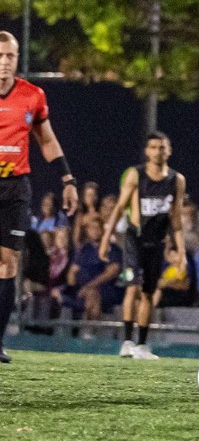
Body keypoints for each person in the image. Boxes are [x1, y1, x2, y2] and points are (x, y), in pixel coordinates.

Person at [0, 31, 78, 363]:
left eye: (10, 57)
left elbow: (46, 140)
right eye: (0, 56)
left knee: (8, 265)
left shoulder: (33, 96)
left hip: (15, 187)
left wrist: (67, 179)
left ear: (17, 59)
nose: (4, 62)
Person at [99, 131, 186, 360]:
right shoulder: (136, 175)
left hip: (156, 242)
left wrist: (182, 252)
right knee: (132, 286)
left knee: (148, 292)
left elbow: (176, 219)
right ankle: (126, 341)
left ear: (169, 150)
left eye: (162, 147)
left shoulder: (176, 180)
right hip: (134, 238)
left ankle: (141, 345)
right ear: (147, 151)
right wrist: (106, 239)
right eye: (153, 147)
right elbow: (120, 207)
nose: (158, 151)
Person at [57, 218, 122, 336]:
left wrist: (89, 286)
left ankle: (90, 332)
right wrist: (74, 286)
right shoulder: (84, 249)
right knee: (66, 294)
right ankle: (83, 333)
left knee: (93, 294)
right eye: (91, 228)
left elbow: (112, 271)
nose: (95, 231)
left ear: (103, 230)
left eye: (97, 228)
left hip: (106, 290)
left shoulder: (112, 249)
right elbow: (72, 272)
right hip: (82, 290)